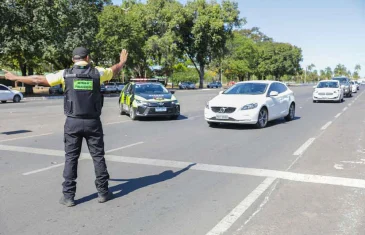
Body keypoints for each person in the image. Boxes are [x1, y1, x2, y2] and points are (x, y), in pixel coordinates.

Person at [3, 47, 128, 207]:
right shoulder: (98, 73)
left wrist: (15, 77)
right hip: (93, 122)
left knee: (71, 158)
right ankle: (103, 193)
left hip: (72, 122)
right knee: (98, 157)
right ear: (88, 58)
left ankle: (69, 197)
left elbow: (37, 80)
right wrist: (122, 62)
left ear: (73, 59)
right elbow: (114, 70)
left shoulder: (64, 74)